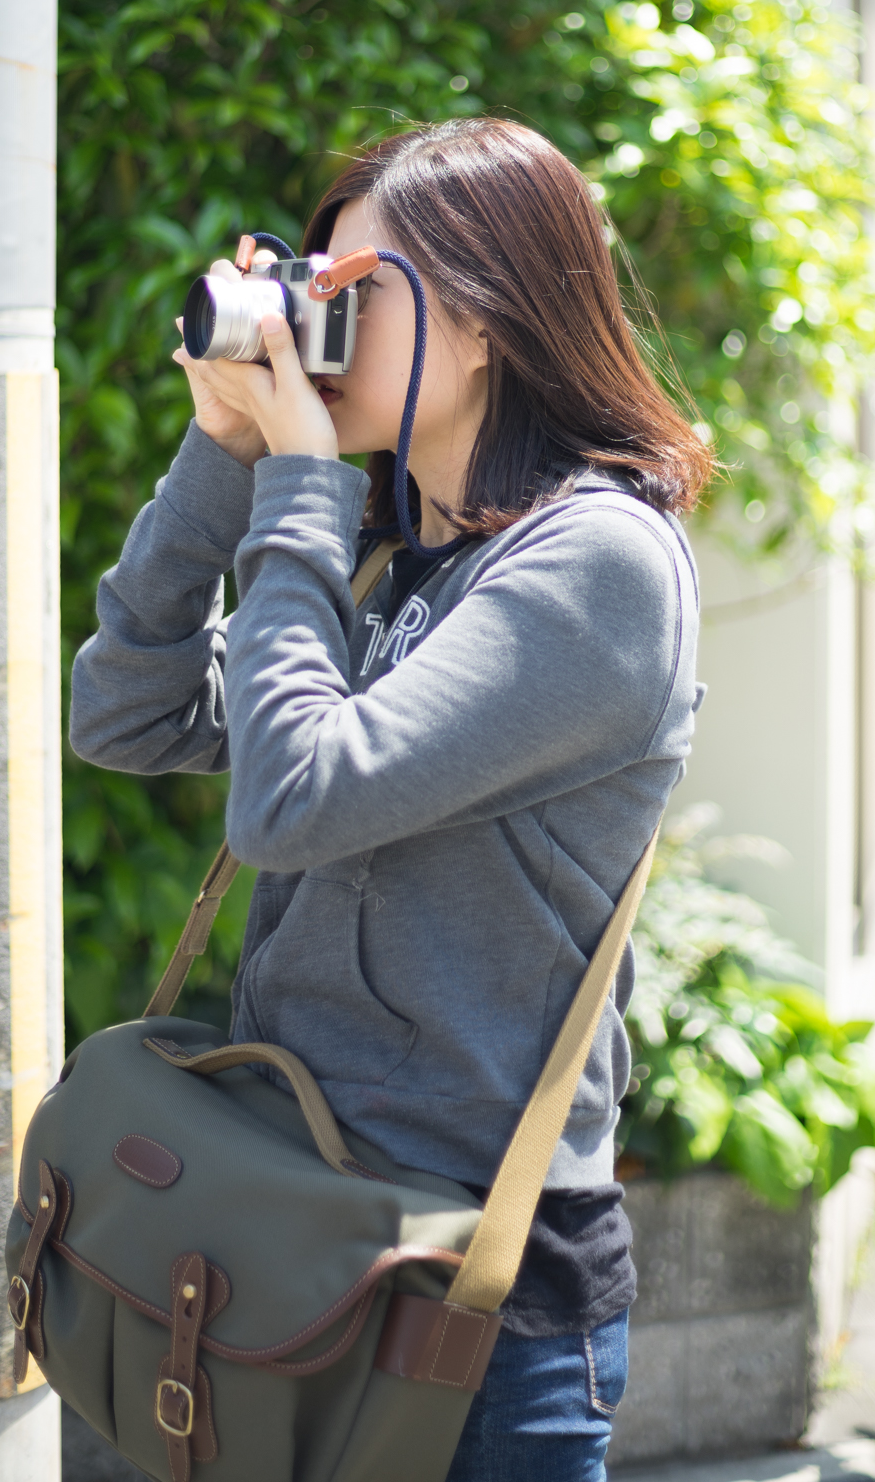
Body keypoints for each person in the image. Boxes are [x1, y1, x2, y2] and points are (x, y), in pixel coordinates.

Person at [69, 118, 709, 1479]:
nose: (315, 333)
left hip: (470, 1289)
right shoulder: (388, 559)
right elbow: (125, 714)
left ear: (484, 322)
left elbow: (291, 801)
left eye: (356, 296)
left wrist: (300, 480)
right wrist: (224, 450)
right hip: (296, 1224)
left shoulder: (596, 566)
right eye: (313, 289)